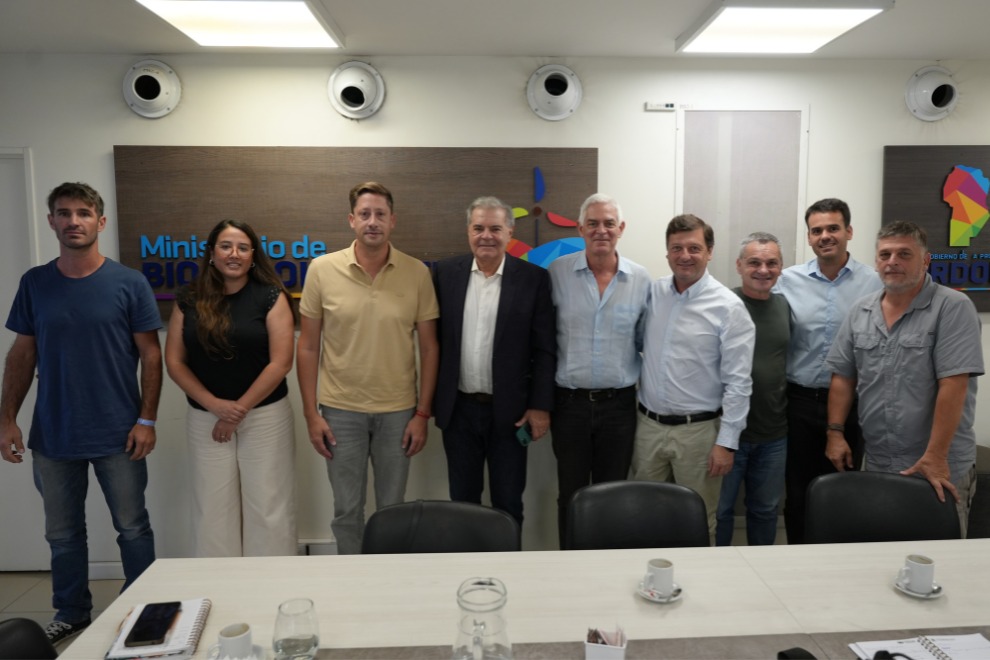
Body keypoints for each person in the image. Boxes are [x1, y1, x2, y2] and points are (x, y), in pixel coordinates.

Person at [0, 182, 162, 644]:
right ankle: (71, 611)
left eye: (84, 213)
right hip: (54, 434)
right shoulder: (35, 283)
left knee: (133, 527)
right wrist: (7, 419)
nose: (74, 221)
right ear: (52, 221)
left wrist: (147, 420)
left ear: (100, 222)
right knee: (63, 534)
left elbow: (151, 355)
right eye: (65, 213)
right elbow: (22, 354)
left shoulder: (129, 282)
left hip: (119, 431)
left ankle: (142, 606)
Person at [296, 181, 439, 555]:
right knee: (346, 511)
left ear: (392, 221)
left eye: (380, 214)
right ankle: (351, 580)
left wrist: (422, 414)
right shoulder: (322, 270)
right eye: (364, 214)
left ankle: (388, 580)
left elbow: (430, 348)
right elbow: (307, 346)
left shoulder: (417, 273)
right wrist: (311, 414)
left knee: (393, 511)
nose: (372, 221)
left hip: (399, 413)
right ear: (351, 220)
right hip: (340, 412)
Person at [825, 221, 983, 536]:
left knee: (940, 556)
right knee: (881, 547)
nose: (892, 262)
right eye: (885, 254)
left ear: (925, 261)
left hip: (937, 465)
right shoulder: (860, 312)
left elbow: (954, 385)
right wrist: (835, 433)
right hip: (878, 461)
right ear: (876, 261)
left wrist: (936, 456)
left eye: (904, 254)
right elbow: (843, 376)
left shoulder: (952, 307)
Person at [164, 219, 297, 557]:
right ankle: (219, 584)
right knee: (212, 510)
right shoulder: (188, 298)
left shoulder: (270, 296)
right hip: (205, 417)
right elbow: (175, 362)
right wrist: (214, 405)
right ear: (212, 253)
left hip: (265, 416)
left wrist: (237, 411)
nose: (234, 254)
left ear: (253, 255)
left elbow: (281, 363)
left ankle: (271, 583)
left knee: (268, 508)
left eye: (242, 247)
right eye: (225, 246)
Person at [433, 196, 556, 527]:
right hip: (458, 412)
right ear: (468, 231)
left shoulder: (533, 279)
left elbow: (545, 348)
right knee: (462, 503)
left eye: (495, 228)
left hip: (511, 414)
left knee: (508, 503)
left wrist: (540, 406)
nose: (486, 236)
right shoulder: (445, 274)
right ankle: (467, 561)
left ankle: (508, 561)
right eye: (478, 228)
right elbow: (432, 342)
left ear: (510, 232)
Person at [631, 214, 755, 541]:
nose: (685, 255)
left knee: (697, 522)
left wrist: (726, 443)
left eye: (694, 248)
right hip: (648, 428)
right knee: (642, 516)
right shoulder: (653, 293)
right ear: (667, 253)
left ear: (709, 251)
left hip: (699, 434)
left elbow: (739, 383)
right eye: (677, 248)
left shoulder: (729, 308)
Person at [774, 198, 882, 544]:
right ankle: (798, 557)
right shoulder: (786, 281)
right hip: (799, 402)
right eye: (817, 230)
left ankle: (837, 559)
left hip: (854, 405)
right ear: (809, 237)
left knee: (844, 489)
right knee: (798, 492)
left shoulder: (875, 283)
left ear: (849, 231)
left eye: (833, 228)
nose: (825, 236)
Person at [548, 193, 650, 547]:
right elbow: (543, 339)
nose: (601, 230)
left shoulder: (641, 279)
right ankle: (570, 563)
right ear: (580, 229)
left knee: (613, 495)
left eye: (609, 223)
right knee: (571, 495)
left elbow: (645, 340)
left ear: (621, 228)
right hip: (569, 406)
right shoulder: (557, 273)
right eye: (592, 223)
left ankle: (608, 565)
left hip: (619, 407)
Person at [715, 232, 789, 546]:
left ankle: (764, 570)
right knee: (719, 511)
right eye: (754, 262)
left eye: (771, 263)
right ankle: (717, 569)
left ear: (781, 267)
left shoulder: (784, 306)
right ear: (739, 265)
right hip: (727, 435)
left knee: (766, 510)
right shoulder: (723, 305)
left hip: (773, 434)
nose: (763, 270)